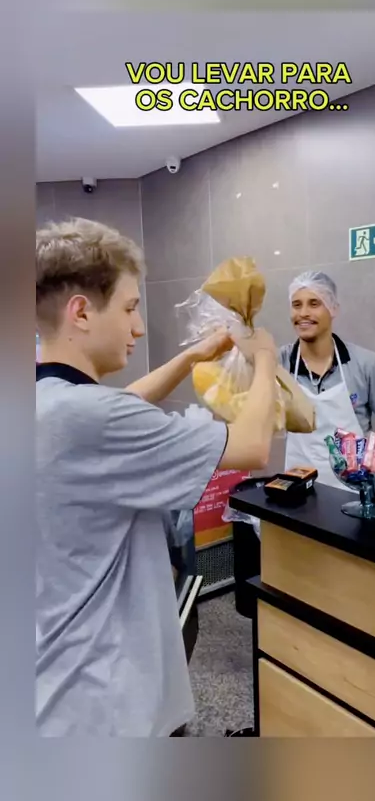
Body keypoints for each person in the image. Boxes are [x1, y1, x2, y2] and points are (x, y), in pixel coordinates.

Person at [36, 218, 278, 737]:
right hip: (103, 699)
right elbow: (253, 445)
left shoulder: (47, 402)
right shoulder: (91, 416)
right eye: (129, 308)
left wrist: (191, 356)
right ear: (81, 312)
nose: (139, 327)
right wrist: (264, 360)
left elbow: (119, 405)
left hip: (54, 681)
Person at [279, 271, 375, 487]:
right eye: (296, 305)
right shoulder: (278, 363)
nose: (303, 313)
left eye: (314, 303)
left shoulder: (365, 364)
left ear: (333, 308)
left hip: (354, 495)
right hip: (297, 494)